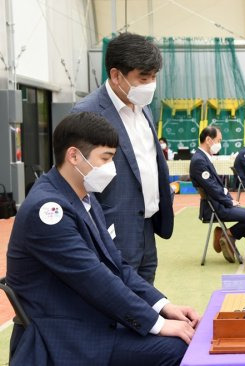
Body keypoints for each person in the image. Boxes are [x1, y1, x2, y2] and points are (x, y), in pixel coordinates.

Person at [6, 112, 200, 366]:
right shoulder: (48, 211)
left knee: (182, 339)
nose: (112, 167)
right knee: (177, 348)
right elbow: (95, 279)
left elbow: (116, 266)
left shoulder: (83, 198)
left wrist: (163, 306)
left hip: (91, 320)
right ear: (74, 156)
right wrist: (159, 324)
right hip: (68, 335)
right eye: (105, 158)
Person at [71, 32, 173, 284]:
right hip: (111, 229)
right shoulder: (88, 113)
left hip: (146, 226)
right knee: (117, 306)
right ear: (116, 76)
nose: (150, 84)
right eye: (143, 78)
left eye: (154, 77)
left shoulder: (143, 107)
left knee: (146, 302)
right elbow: (74, 181)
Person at [190, 126, 245, 263]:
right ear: (208, 140)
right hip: (214, 208)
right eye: (219, 140)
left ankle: (229, 236)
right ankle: (227, 234)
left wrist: (229, 198)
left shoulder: (203, 158)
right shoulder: (199, 160)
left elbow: (216, 186)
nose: (220, 144)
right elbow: (212, 188)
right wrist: (229, 202)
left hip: (218, 203)